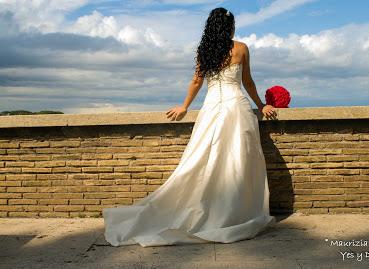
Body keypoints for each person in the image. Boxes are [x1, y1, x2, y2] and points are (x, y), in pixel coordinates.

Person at [102, 7, 277, 248]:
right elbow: (247, 82)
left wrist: (185, 106)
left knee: (204, 157)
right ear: (231, 27)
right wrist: (262, 105)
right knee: (240, 158)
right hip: (237, 107)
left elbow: (196, 81)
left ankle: (212, 207)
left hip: (213, 106)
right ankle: (237, 211)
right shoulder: (241, 48)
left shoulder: (204, 50)